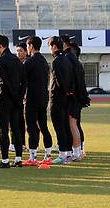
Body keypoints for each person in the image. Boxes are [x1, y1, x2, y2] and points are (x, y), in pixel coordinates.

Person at [22, 36, 54, 167]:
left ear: (31, 46)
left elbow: (22, 79)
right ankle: (48, 155)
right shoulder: (44, 61)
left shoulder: (29, 62)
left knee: (31, 128)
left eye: (27, 46)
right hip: (43, 97)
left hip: (31, 98)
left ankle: (33, 157)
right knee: (43, 126)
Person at [0, 35, 25, 168]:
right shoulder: (17, 60)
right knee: (16, 129)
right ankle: (18, 159)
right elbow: (24, 82)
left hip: (5, 99)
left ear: (0, 46)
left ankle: (5, 160)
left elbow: (3, 81)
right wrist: (19, 96)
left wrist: (12, 95)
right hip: (17, 100)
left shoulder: (1, 60)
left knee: (3, 130)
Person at [62, 36, 90, 161]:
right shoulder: (77, 62)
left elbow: (70, 79)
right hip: (78, 97)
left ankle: (77, 152)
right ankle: (78, 151)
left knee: (72, 124)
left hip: (73, 97)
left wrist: (69, 93)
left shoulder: (69, 59)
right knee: (75, 124)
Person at [48, 36, 74, 165]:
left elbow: (58, 80)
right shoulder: (67, 60)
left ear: (53, 46)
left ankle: (62, 154)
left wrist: (64, 90)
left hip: (57, 97)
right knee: (66, 126)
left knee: (59, 127)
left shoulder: (56, 61)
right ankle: (68, 154)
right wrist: (68, 91)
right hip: (66, 98)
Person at [11, 42, 28, 154]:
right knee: (16, 121)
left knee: (23, 122)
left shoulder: (27, 64)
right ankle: (17, 143)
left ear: (26, 51)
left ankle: (23, 144)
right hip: (17, 97)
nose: (18, 53)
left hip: (26, 97)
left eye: (20, 50)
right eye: (17, 51)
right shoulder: (15, 63)